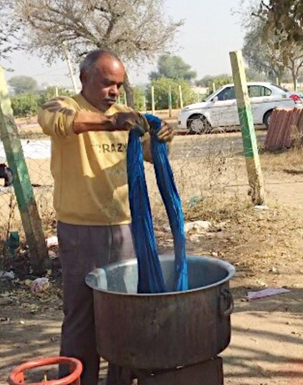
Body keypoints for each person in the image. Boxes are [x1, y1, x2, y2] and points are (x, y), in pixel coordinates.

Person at [37, 49, 173, 385]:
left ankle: (121, 380)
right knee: (82, 316)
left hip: (125, 228)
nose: (113, 91)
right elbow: (55, 122)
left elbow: (150, 155)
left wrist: (161, 139)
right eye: (106, 83)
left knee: (124, 314)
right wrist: (110, 122)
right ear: (84, 78)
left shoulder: (127, 115)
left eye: (119, 85)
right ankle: (76, 380)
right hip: (82, 231)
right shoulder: (63, 106)